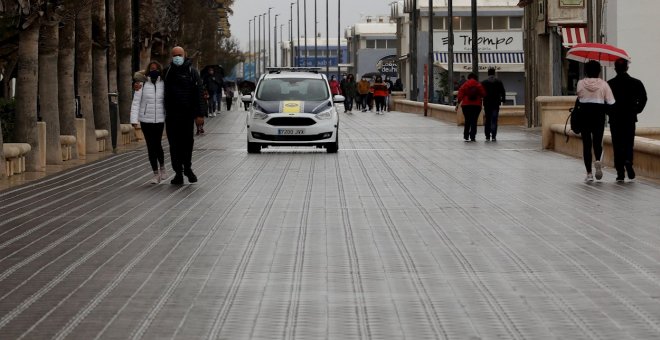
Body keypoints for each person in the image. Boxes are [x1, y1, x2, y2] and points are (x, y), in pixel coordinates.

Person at [163, 46, 206, 185]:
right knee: (174, 145)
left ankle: (187, 168)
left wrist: (200, 114)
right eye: (174, 55)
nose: (177, 57)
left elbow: (199, 94)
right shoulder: (167, 72)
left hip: (187, 116)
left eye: (179, 54)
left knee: (187, 144)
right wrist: (137, 84)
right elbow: (152, 79)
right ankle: (178, 173)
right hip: (171, 116)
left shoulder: (192, 72)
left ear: (184, 55)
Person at [607, 58, 647, 182]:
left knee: (617, 143)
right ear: (627, 68)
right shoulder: (636, 82)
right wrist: (636, 110)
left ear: (615, 69)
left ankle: (620, 171)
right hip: (629, 117)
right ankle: (628, 160)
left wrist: (610, 112)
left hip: (615, 118)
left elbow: (605, 102)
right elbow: (644, 98)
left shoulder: (610, 84)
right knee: (629, 142)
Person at [576, 60, 615, 182]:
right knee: (597, 142)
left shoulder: (580, 83)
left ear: (586, 71)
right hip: (598, 116)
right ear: (598, 71)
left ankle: (589, 174)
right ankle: (598, 160)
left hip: (584, 116)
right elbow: (611, 102)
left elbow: (579, 96)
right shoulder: (604, 85)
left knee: (587, 145)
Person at [130, 61, 167, 184]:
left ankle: (162, 166)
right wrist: (134, 120)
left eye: (156, 69)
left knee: (157, 145)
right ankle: (155, 174)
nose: (154, 71)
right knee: (150, 147)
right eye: (151, 69)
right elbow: (136, 102)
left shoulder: (164, 83)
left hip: (160, 119)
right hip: (146, 120)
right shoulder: (142, 84)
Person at [456, 73, 486, 142]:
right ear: (476, 78)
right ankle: (472, 136)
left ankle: (466, 135)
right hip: (476, 105)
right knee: (474, 121)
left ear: (468, 78)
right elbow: (483, 93)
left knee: (467, 120)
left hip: (466, 105)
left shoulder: (465, 84)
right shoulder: (478, 84)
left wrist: (458, 104)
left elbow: (460, 94)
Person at [481, 68, 506, 142]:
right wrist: (503, 99)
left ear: (488, 73)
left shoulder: (484, 82)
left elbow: (481, 92)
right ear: (494, 73)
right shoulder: (498, 81)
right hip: (496, 103)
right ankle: (494, 135)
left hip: (487, 103)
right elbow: (503, 91)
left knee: (488, 119)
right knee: (494, 119)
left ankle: (487, 136)